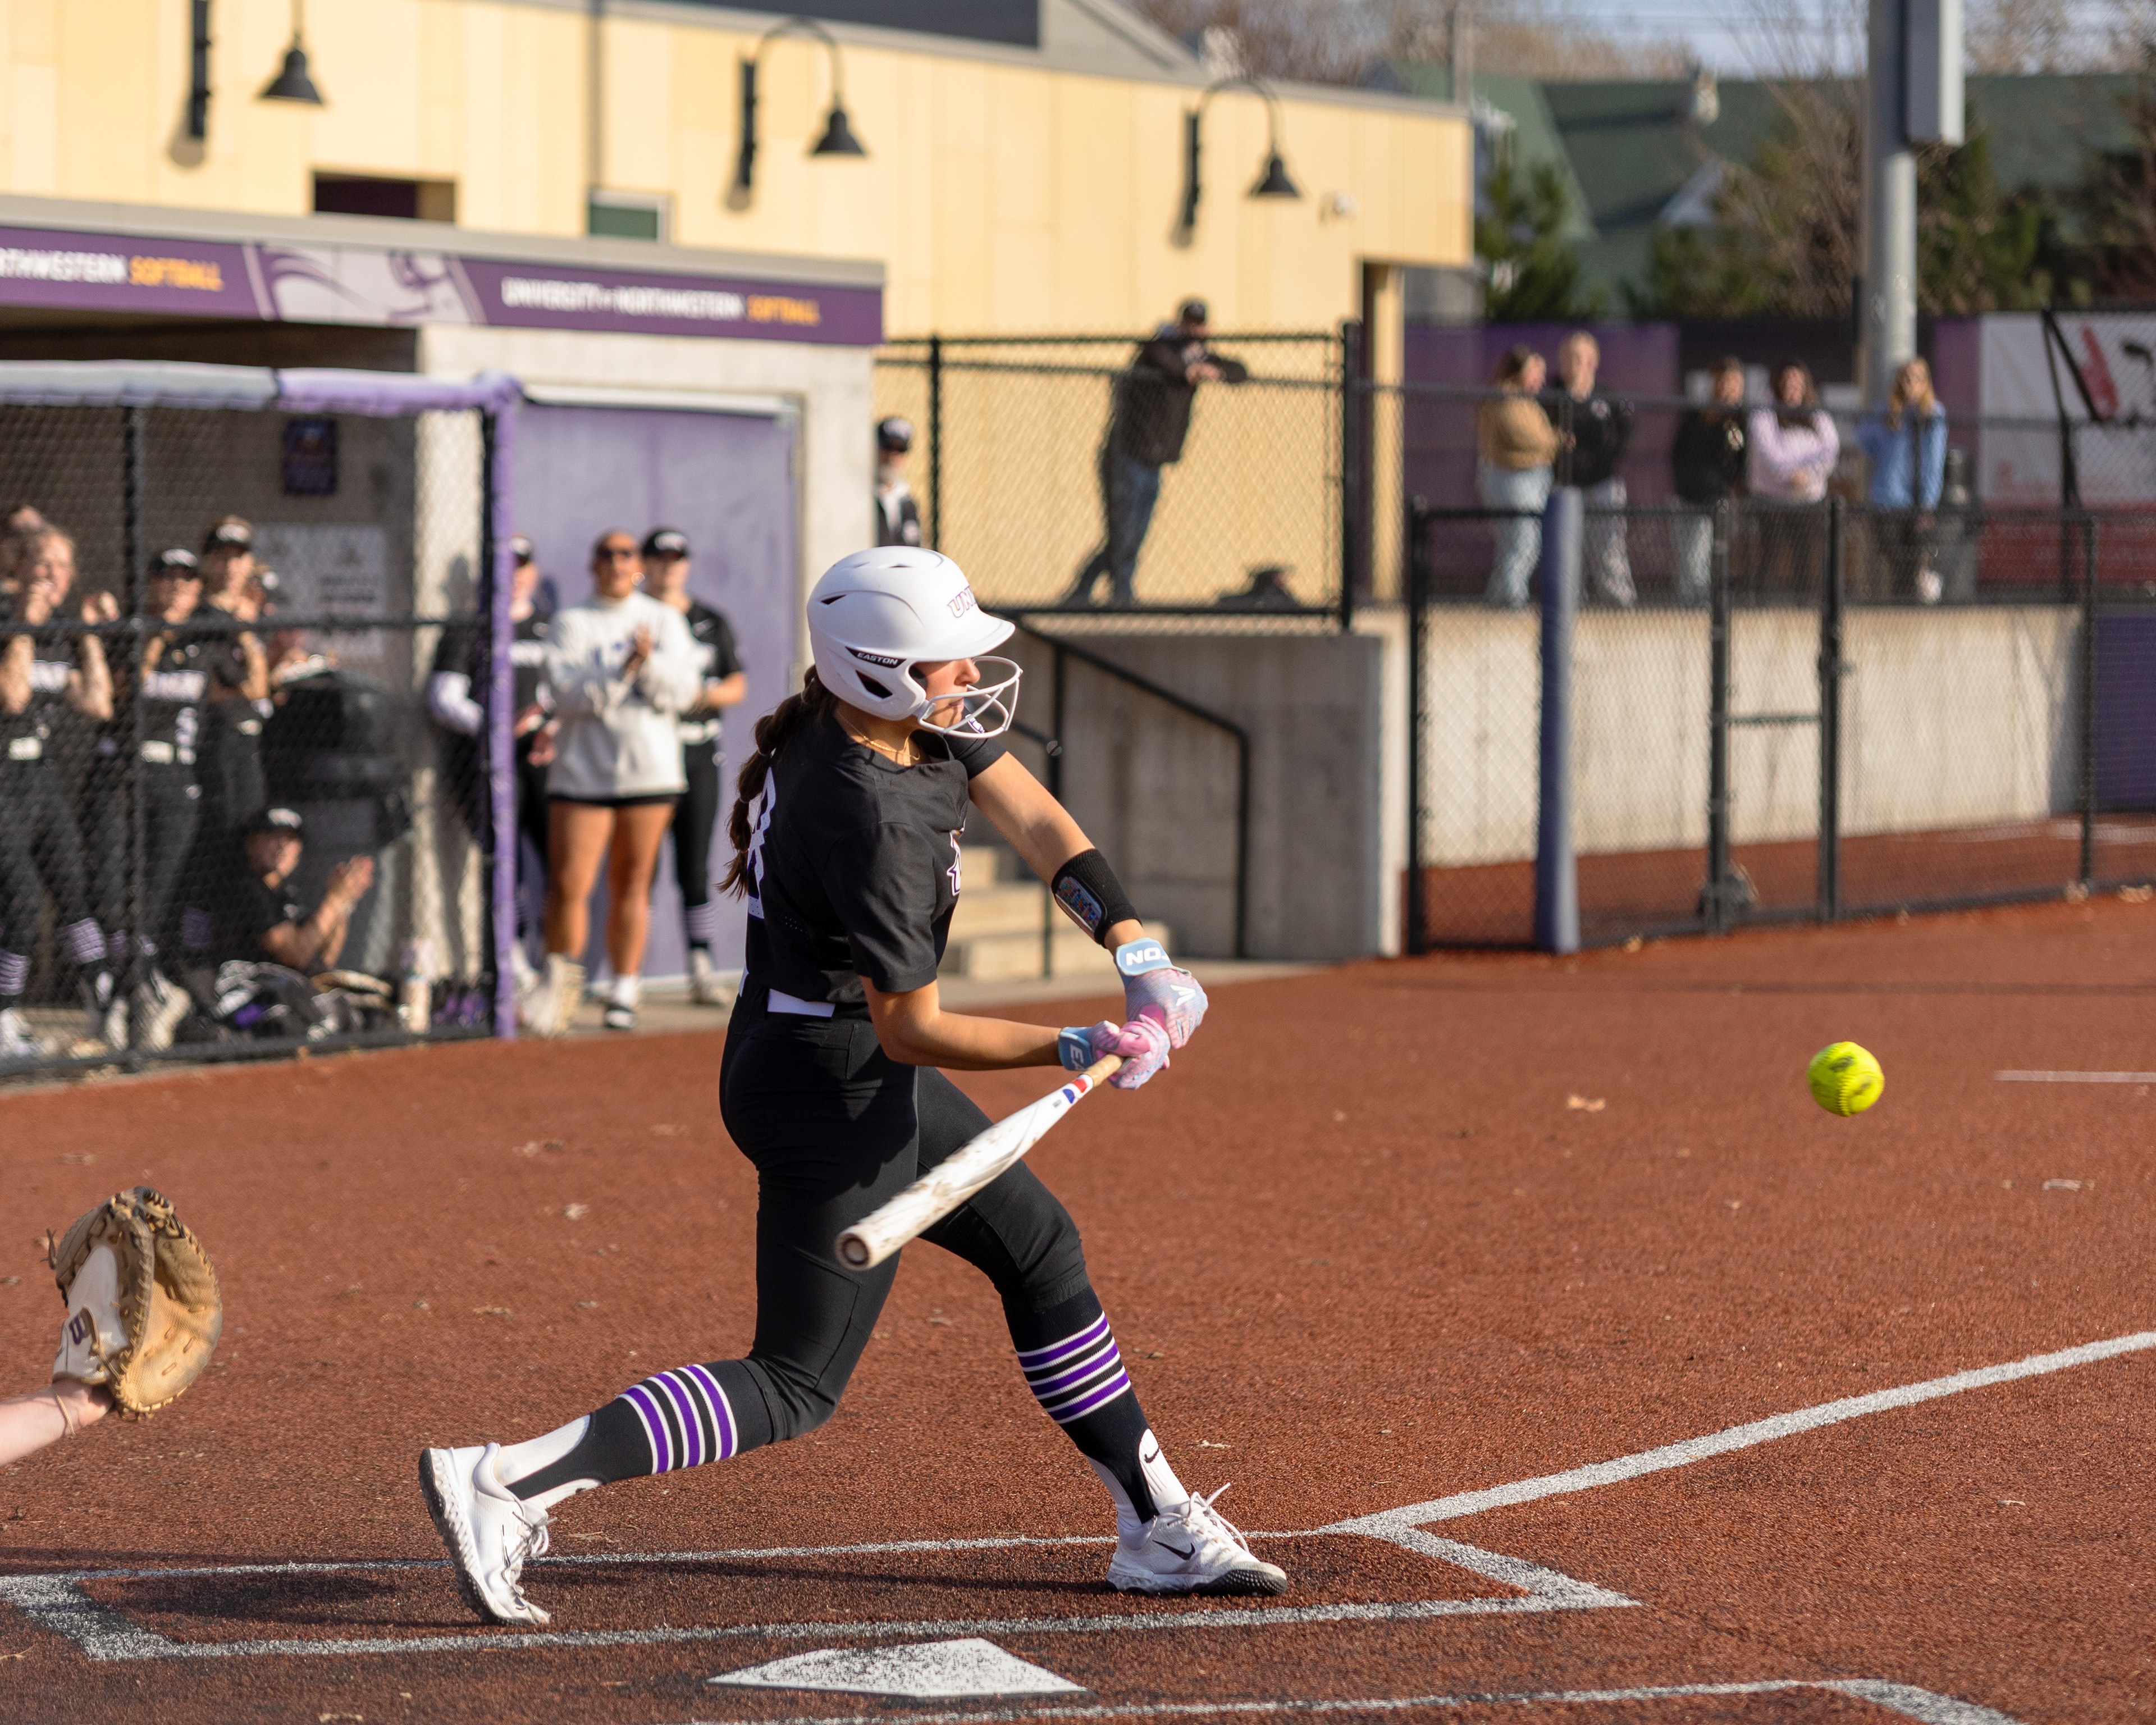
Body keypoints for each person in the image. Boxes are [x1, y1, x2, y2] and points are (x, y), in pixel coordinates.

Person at [419, 545, 1285, 1628]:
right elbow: (913, 1026)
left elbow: (1037, 818)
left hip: (826, 1055)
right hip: (826, 1083)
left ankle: (1153, 1522)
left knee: (1039, 1249)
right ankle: (510, 1479)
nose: (970, 675)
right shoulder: (870, 811)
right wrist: (1074, 1044)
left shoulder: (891, 719)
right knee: (795, 1381)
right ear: (878, 669)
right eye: (947, 661)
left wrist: (1137, 950)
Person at [523, 529, 701, 1035]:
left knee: (633, 883)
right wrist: (623, 670)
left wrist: (647, 665)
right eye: (607, 554)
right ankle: (559, 989)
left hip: (650, 773)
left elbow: (686, 692)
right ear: (593, 565)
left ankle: (625, 988)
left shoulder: (664, 620)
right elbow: (565, 694)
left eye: (626, 555)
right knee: (568, 883)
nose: (617, 563)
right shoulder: (572, 622)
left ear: (638, 567)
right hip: (582, 775)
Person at [0, 525, 118, 1058]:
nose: (51, 575)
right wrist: (24, 622)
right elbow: (13, 696)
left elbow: (98, 704)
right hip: (2, 775)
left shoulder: (60, 631)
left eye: (61, 566)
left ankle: (104, 1009)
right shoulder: (8, 618)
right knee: (23, 900)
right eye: (42, 563)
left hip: (41, 777)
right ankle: (3, 1016)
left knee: (74, 888)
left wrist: (88, 635)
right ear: (20, 567)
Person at [84, 549, 209, 1051]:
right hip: (121, 773)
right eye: (167, 578)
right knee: (109, 892)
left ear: (197, 590)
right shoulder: (126, 635)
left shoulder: (205, 642)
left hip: (175, 779)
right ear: (150, 584)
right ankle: (147, 990)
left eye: (187, 580)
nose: (176, 587)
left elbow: (250, 694)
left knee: (154, 898)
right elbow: (120, 698)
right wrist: (153, 639)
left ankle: (134, 997)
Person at [426, 533, 554, 994]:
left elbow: (559, 690)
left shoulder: (547, 627)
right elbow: (443, 698)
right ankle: (512, 963)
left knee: (559, 859)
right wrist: (496, 725)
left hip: (541, 760)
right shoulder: (469, 627)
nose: (514, 577)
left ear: (532, 574)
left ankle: (551, 962)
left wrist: (551, 726)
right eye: (504, 567)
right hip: (486, 766)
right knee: (505, 860)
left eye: (522, 567)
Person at [1065, 299, 1249, 608]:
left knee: (1134, 532)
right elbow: (1174, 367)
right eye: (1190, 325)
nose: (1195, 331)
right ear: (1180, 324)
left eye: (1200, 325)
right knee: (1125, 531)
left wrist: (1208, 368)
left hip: (1154, 460)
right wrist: (1194, 368)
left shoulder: (1196, 353)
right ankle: (1118, 595)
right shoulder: (1158, 348)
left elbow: (1239, 371)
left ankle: (1085, 592)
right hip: (1128, 455)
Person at [642, 527, 748, 1006]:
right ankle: (631, 972)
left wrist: (694, 695)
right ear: (646, 564)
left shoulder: (709, 620)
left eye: (677, 558)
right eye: (660, 558)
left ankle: (701, 966)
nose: (669, 566)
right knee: (640, 868)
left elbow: (736, 684)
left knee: (694, 865)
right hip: (649, 753)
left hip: (699, 750)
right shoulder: (636, 617)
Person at [177, 517, 271, 991]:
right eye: (221, 556)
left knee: (245, 855)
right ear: (207, 561)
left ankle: (233, 961)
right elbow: (224, 690)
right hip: (213, 751)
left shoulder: (250, 616)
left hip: (248, 751)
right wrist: (250, 677)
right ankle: (193, 960)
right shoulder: (199, 618)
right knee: (209, 857)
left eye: (239, 557)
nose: (231, 566)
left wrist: (249, 637)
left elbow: (260, 688)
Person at [216, 805, 374, 974]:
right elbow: (296, 956)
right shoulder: (245, 889)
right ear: (251, 843)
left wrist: (345, 901)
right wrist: (335, 898)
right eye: (274, 836)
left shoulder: (286, 894)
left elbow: (325, 957)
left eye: (291, 839)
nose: (283, 845)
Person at [1552, 332, 1636, 606]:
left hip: (1603, 485)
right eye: (1568, 357)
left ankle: (1619, 606)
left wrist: (1609, 458)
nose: (1574, 364)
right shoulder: (1552, 395)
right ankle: (1569, 608)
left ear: (1593, 361)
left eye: (1580, 357)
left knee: (1608, 549)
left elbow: (1628, 430)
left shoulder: (1606, 396)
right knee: (1567, 552)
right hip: (1565, 487)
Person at [1856, 357, 1949, 603]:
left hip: (1917, 501)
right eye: (1906, 379)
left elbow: (1935, 463)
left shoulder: (1933, 414)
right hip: (1887, 498)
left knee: (1913, 563)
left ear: (1926, 383)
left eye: (1917, 379)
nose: (1911, 385)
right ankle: (1899, 607)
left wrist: (1929, 503)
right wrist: (1887, 418)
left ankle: (1904, 610)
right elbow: (1864, 439)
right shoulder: (1887, 411)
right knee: (1894, 557)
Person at [1747, 362, 1840, 596]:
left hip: (1808, 498)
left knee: (1806, 553)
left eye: (1797, 381)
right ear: (1778, 383)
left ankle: (1805, 604)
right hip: (1771, 498)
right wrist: (1789, 474)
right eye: (1787, 381)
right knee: (1771, 551)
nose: (1792, 386)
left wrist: (1809, 474)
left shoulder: (1817, 414)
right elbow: (1767, 451)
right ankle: (1761, 605)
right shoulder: (1764, 413)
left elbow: (1830, 449)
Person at [1477, 345, 1559, 608]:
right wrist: (1556, 440)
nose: (1541, 380)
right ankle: (1514, 599)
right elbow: (1528, 438)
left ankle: (1498, 598)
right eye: (1535, 373)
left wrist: (1550, 440)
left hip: (1530, 478)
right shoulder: (1505, 399)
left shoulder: (1527, 402)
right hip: (1512, 479)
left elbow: (1543, 438)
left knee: (1512, 543)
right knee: (1524, 542)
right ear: (1518, 371)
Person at [1670, 357, 1750, 605]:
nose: (1728, 389)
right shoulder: (1696, 416)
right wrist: (1683, 481)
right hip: (1688, 496)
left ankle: (1708, 604)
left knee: (1710, 555)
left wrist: (1732, 485)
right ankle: (1691, 605)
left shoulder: (1742, 421)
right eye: (1723, 383)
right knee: (1689, 558)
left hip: (1719, 500)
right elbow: (1677, 453)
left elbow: (1742, 461)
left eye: (1734, 384)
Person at [874, 417, 922, 547]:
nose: (893, 456)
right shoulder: (860, 500)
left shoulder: (907, 502)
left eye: (901, 450)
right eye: (887, 447)